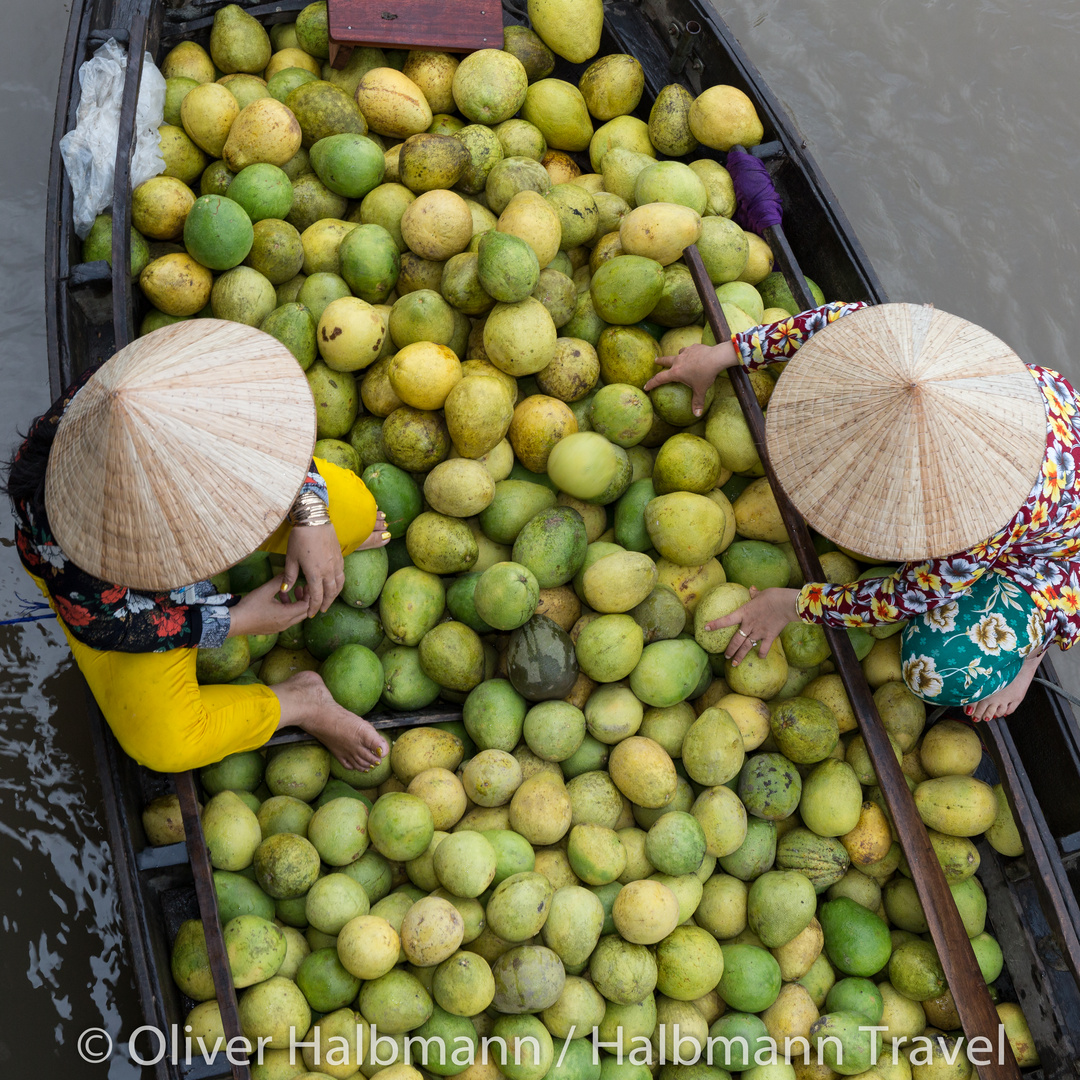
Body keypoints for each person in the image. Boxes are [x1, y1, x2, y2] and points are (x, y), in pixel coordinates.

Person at [645, 299, 1078, 722]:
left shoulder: (978, 528)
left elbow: (900, 598)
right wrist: (724, 354)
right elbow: (833, 321)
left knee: (931, 671)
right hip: (1035, 417)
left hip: (1052, 554)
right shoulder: (903, 348)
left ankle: (1032, 646)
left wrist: (793, 604)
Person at [5, 320, 391, 774]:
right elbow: (114, 627)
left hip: (231, 492)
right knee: (166, 743)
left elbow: (277, 423)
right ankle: (300, 702)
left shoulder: (164, 386)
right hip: (136, 604)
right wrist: (237, 619)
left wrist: (311, 513)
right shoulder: (67, 546)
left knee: (353, 512)